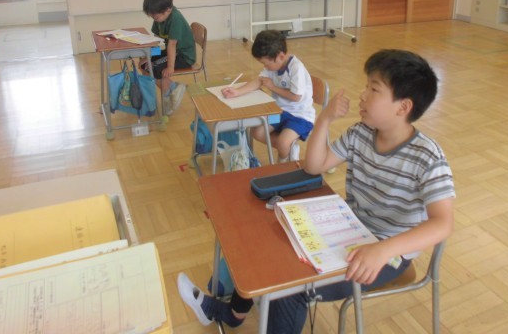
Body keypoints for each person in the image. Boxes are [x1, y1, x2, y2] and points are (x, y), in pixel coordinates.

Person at [177, 49, 455, 333]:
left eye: (374, 89)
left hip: (387, 254)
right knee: (269, 236)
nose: (362, 95)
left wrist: (383, 249)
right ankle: (234, 313)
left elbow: (443, 223)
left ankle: (246, 310)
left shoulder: (427, 157)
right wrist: (324, 119)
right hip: (349, 230)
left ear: (403, 107)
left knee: (290, 288)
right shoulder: (360, 133)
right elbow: (314, 166)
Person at [221, 29, 315, 162]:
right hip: (279, 112)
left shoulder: (296, 68)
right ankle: (289, 147)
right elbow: (260, 81)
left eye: (266, 63)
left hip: (300, 116)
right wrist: (237, 91)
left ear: (280, 56)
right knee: (257, 132)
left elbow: (296, 97)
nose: (265, 67)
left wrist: (272, 87)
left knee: (283, 142)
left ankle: (284, 162)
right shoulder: (274, 65)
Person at [139, 0, 196, 115]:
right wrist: (149, 55)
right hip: (173, 52)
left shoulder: (176, 18)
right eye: (152, 16)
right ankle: (173, 87)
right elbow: (157, 39)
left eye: (156, 16)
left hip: (184, 56)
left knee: (155, 68)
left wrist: (170, 67)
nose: (154, 18)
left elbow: (172, 44)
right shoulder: (159, 17)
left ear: (168, 10)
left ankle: (167, 97)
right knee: (144, 64)